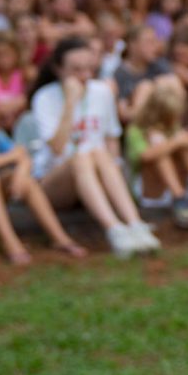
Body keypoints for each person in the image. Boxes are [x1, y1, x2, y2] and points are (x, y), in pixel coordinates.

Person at [28, 37, 160, 257]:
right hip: (56, 181)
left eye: (89, 68)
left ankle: (135, 224)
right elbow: (57, 148)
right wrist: (71, 102)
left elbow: (111, 138)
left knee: (99, 153)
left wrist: (115, 173)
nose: (84, 76)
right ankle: (115, 230)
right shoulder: (44, 97)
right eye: (76, 70)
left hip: (96, 174)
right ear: (58, 69)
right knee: (82, 157)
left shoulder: (101, 92)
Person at [0, 83, 85, 263]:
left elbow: (23, 156)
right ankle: (10, 242)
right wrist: (9, 158)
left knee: (26, 181)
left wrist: (21, 172)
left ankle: (60, 237)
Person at [124, 80, 188, 229]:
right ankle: (179, 198)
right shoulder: (136, 130)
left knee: (186, 148)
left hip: (174, 183)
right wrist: (175, 142)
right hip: (150, 191)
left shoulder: (173, 127)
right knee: (160, 151)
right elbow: (144, 156)